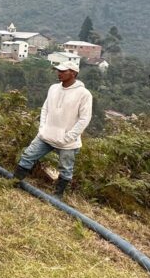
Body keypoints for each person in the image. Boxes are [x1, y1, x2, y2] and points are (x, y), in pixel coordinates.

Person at [13, 62, 93, 196]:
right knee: (28, 155)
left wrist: (68, 137)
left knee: (65, 169)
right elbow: (45, 108)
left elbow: (84, 119)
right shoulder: (53, 88)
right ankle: (14, 182)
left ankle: (57, 196)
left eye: (63, 71)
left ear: (73, 73)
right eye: (58, 70)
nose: (59, 73)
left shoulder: (84, 94)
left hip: (68, 142)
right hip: (46, 135)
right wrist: (42, 128)